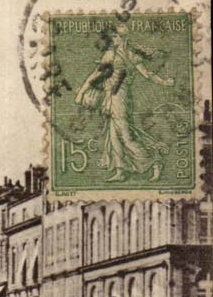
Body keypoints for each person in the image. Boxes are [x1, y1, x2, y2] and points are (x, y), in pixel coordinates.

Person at [74, 23, 175, 183]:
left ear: (123, 38)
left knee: (126, 136)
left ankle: (155, 161)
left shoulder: (130, 55)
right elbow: (96, 74)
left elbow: (147, 74)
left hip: (121, 97)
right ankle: (120, 171)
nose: (113, 39)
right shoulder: (109, 54)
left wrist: (165, 82)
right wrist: (81, 92)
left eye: (116, 36)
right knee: (113, 136)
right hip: (110, 96)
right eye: (112, 36)